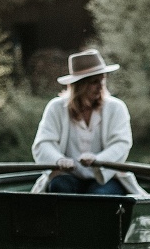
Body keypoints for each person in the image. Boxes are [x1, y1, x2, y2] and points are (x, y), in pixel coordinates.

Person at [31, 48, 134, 195]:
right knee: (59, 187)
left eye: (102, 80)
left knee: (101, 197)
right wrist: (59, 160)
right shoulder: (56, 108)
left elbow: (121, 143)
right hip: (68, 176)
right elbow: (43, 143)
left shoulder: (116, 108)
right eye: (94, 82)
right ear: (79, 85)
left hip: (105, 178)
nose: (100, 86)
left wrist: (98, 159)